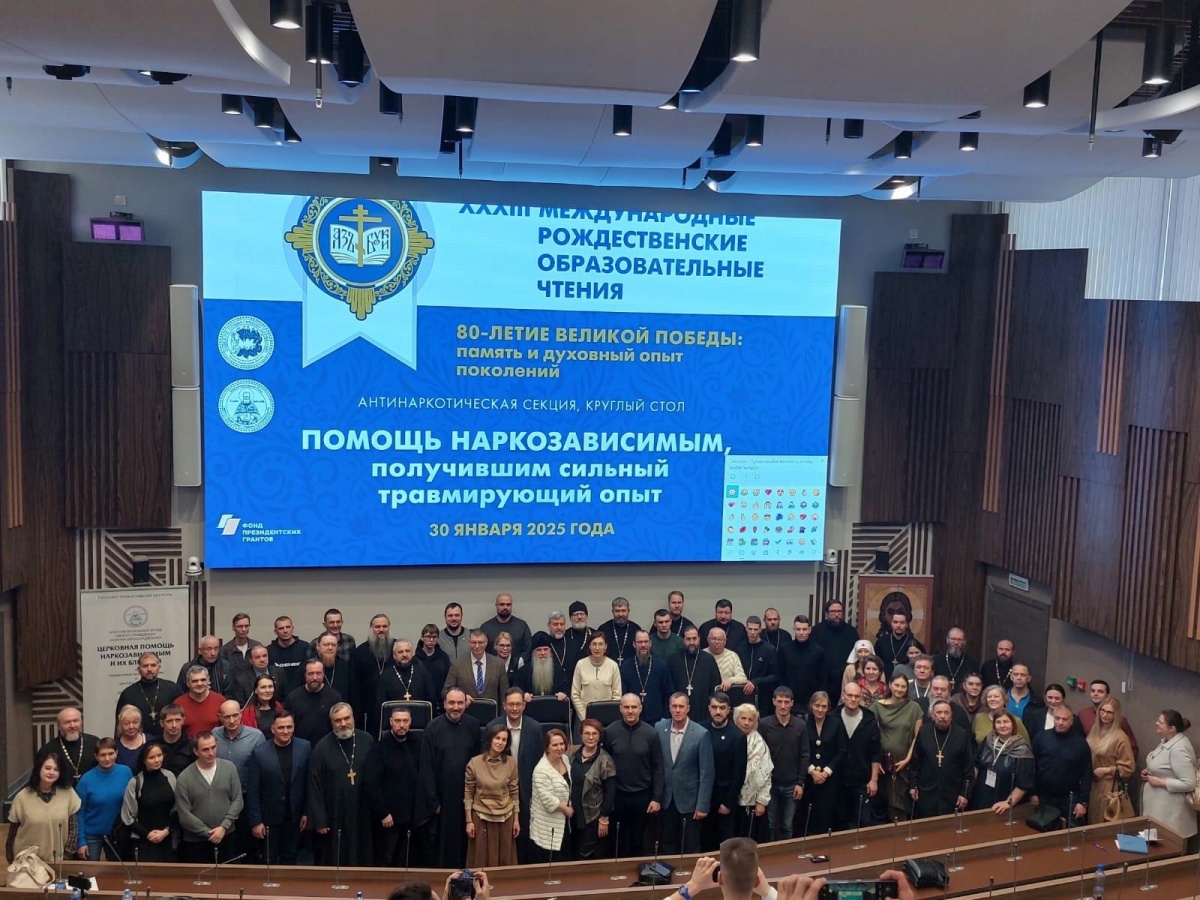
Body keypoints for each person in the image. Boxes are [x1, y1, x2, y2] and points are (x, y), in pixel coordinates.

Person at [419, 688, 481, 867]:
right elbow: (426, 767)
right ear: (444, 704)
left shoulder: (473, 725)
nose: (456, 707)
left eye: (460, 703)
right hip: (442, 798)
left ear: (465, 704)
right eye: (452, 703)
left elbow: (478, 761)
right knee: (443, 844)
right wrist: (433, 801)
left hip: (467, 795)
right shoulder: (433, 727)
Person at [308, 702, 373, 866]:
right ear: (332, 723)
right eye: (338, 720)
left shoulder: (367, 740)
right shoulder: (322, 748)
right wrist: (320, 819)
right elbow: (314, 785)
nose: (343, 724)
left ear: (353, 718)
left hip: (362, 812)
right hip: (334, 813)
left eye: (346, 718)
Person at [245, 713, 310, 867]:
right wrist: (256, 821)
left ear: (294, 727)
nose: (285, 731)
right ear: (273, 729)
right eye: (281, 727)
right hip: (269, 818)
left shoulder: (305, 747)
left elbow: (308, 783)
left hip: (294, 817)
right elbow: (253, 790)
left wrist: (307, 812)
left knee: (290, 859)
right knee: (269, 860)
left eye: (289, 727)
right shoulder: (259, 753)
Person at [603, 693, 664, 857]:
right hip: (618, 796)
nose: (630, 711)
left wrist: (657, 798)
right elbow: (604, 764)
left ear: (640, 709)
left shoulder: (651, 733)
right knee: (617, 842)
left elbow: (658, 767)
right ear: (620, 709)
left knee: (639, 842)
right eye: (626, 707)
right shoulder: (610, 731)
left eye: (634, 707)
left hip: (642, 796)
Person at [487, 688, 543, 862]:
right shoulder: (492, 727)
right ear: (504, 706)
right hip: (499, 789)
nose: (514, 708)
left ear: (524, 705)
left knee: (524, 833)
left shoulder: (535, 728)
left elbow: (539, 760)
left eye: (518, 704)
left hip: (526, 789)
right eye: (511, 704)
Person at [656, 692, 714, 855]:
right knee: (667, 845)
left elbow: (706, 773)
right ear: (669, 708)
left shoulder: (701, 733)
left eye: (681, 706)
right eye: (674, 706)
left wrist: (702, 805)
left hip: (690, 802)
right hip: (666, 799)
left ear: (688, 708)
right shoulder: (659, 728)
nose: (677, 710)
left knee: (690, 846)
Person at [174, 732, 243, 862]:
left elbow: (237, 799)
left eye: (213, 747)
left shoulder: (229, 768)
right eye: (205, 749)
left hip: (227, 836)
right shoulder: (184, 777)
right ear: (196, 751)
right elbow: (184, 813)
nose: (211, 753)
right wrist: (208, 833)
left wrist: (224, 827)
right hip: (196, 842)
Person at [5, 749, 80, 864]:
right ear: (39, 768)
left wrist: (67, 856)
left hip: (57, 861)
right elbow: (12, 833)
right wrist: (11, 858)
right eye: (48, 768)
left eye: (56, 769)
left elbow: (73, 829)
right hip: (26, 861)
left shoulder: (68, 794)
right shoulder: (22, 797)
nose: (51, 772)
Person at [463, 724, 519, 867]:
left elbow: (514, 792)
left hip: (506, 817)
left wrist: (516, 820)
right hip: (481, 818)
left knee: (505, 862)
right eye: (497, 738)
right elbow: (468, 793)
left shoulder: (511, 763)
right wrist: (469, 821)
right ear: (490, 739)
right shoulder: (474, 763)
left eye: (504, 740)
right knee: (481, 861)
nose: (500, 742)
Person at [757, 686, 809, 841]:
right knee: (770, 824)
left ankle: (788, 854)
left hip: (792, 784)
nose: (783, 705)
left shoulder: (800, 725)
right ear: (773, 701)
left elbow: (804, 755)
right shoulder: (764, 724)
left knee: (787, 825)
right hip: (770, 784)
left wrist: (800, 782)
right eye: (779, 701)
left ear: (792, 703)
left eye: (786, 702)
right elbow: (760, 755)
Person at [908, 700, 973, 818]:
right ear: (933, 715)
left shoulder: (961, 735)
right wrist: (913, 785)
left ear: (951, 715)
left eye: (946, 713)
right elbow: (916, 762)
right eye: (939, 712)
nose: (943, 716)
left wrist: (965, 793)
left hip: (953, 793)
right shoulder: (924, 732)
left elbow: (968, 768)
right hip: (926, 792)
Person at [1140, 709, 1197, 844]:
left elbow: (1189, 783)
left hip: (1170, 814)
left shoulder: (1178, 748)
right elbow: (1164, 765)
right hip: (1158, 809)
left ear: (1172, 728)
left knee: (1165, 849)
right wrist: (1149, 770)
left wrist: (1161, 782)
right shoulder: (1167, 740)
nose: (1156, 723)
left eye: (1161, 722)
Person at [872, 673, 922, 823]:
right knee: (881, 805)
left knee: (900, 805)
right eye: (897, 685)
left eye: (903, 686)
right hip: (883, 765)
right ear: (890, 685)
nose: (899, 689)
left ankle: (900, 835)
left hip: (905, 765)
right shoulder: (877, 706)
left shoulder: (914, 708)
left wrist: (907, 759)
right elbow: (872, 736)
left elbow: (917, 737)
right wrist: (877, 761)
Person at [1031, 706, 1092, 827]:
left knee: (1073, 833)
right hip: (1044, 797)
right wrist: (1033, 793)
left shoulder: (1080, 743)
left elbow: (1087, 773)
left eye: (1064, 719)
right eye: (1057, 718)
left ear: (1071, 721)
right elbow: (1032, 768)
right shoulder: (1041, 738)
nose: (1060, 722)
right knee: (1044, 832)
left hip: (1071, 798)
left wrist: (1083, 802)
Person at [119, 742, 178, 862]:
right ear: (144, 760)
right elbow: (127, 817)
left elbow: (177, 809)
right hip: (143, 842)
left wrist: (166, 831)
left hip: (168, 840)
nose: (157, 760)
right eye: (151, 757)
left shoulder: (170, 777)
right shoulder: (135, 783)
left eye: (159, 755)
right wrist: (148, 834)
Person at [75, 738, 133, 860]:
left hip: (117, 834)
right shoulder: (86, 780)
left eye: (111, 753)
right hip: (91, 836)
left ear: (116, 753)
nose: (107, 758)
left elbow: (132, 803)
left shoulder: (126, 772)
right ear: (96, 757)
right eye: (102, 755)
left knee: (117, 870)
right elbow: (79, 812)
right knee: (91, 870)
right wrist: (81, 841)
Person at [703, 692, 747, 850]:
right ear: (709, 708)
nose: (718, 711)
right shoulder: (700, 729)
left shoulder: (737, 736)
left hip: (724, 798)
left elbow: (739, 773)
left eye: (722, 708)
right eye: (714, 707)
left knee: (724, 843)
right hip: (703, 798)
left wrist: (728, 803)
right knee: (705, 842)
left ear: (729, 710)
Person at [838, 682, 884, 828]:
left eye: (856, 696)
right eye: (849, 695)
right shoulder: (833, 717)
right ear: (843, 696)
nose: (853, 699)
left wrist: (874, 780)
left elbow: (876, 752)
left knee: (862, 822)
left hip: (862, 781)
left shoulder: (869, 719)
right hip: (838, 781)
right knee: (839, 823)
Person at [569, 718, 616, 860]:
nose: (590, 737)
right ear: (581, 735)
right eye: (587, 733)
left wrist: (604, 819)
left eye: (594, 734)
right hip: (572, 816)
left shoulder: (605, 760)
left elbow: (610, 792)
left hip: (593, 818)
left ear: (599, 736)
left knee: (586, 856)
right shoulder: (571, 756)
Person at [799, 690, 844, 837]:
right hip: (809, 777)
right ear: (811, 705)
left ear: (828, 707)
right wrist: (811, 770)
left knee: (826, 813)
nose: (820, 709)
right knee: (808, 813)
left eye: (824, 706)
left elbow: (842, 750)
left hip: (829, 778)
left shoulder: (836, 723)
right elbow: (800, 749)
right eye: (817, 705)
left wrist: (826, 772)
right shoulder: (803, 723)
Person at [971, 711, 1034, 813]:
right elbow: (977, 763)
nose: (1002, 725)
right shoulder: (988, 740)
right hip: (983, 796)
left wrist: (1008, 802)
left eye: (1006, 722)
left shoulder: (1022, 749)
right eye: (998, 722)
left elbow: (1024, 783)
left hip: (1005, 803)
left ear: (1013, 724)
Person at [1086, 697, 1135, 823]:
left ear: (1116, 715)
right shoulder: (1095, 730)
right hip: (1092, 783)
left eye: (1109, 712)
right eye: (1102, 710)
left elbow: (1128, 768)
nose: (1104, 715)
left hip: (1108, 786)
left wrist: (1106, 770)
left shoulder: (1120, 738)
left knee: (1101, 822)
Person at [373, 639, 436, 736]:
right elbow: (380, 707)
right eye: (400, 652)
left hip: (420, 729)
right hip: (394, 730)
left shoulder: (423, 673)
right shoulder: (385, 677)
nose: (405, 654)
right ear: (394, 656)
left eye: (407, 651)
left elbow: (431, 700)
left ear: (412, 653)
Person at [529, 728, 572, 862]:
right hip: (546, 823)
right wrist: (566, 809)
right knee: (550, 860)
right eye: (554, 745)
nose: (559, 748)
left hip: (563, 822)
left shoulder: (565, 759)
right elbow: (548, 800)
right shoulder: (541, 770)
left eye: (561, 744)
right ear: (547, 748)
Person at [116, 652, 181, 739]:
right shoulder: (128, 693)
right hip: (139, 741)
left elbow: (181, 716)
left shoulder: (172, 689)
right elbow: (120, 724)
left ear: (159, 667)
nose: (149, 669)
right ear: (139, 669)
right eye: (145, 666)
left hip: (169, 740)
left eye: (153, 665)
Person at [733, 703, 772, 842]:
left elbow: (766, 774)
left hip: (753, 803)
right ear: (736, 719)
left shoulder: (759, 743)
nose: (746, 723)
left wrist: (762, 801)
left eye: (750, 720)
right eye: (743, 718)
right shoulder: (732, 737)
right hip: (731, 801)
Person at [669, 626, 723, 723]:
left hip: (703, 713)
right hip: (678, 712)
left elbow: (715, 687)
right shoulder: (674, 660)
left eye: (694, 639)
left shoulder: (708, 660)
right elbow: (669, 688)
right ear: (683, 640)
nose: (691, 642)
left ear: (699, 639)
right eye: (688, 639)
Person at [810, 599, 861, 699]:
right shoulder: (816, 631)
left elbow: (856, 655)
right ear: (826, 613)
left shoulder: (851, 632)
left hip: (845, 677)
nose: (836, 614)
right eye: (833, 611)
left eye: (839, 611)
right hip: (822, 678)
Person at [284, 659, 343, 746]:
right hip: (300, 748)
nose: (315, 678)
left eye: (318, 673)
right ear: (305, 675)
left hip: (327, 747)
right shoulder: (292, 698)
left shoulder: (335, 697)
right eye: (311, 674)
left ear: (323, 674)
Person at [444, 629, 509, 706]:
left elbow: (504, 695)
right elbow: (446, 691)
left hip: (491, 712)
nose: (477, 646)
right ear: (469, 642)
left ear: (486, 642)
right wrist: (462, 696)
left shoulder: (498, 664)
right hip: (466, 711)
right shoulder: (457, 664)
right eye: (474, 642)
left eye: (480, 642)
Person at [1077, 679, 1140, 760]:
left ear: (1107, 695)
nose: (1095, 694)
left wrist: (1120, 767)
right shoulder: (1083, 714)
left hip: (1110, 765)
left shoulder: (1120, 720)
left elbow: (1132, 749)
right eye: (1093, 691)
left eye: (1100, 691)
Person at [621, 630, 673, 724]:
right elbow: (623, 693)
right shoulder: (626, 666)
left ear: (650, 643)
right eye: (640, 642)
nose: (643, 645)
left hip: (657, 720)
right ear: (634, 644)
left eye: (646, 642)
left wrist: (665, 717)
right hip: (632, 719)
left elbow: (668, 693)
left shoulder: (660, 666)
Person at [571, 631, 622, 724]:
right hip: (584, 718)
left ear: (605, 647)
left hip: (607, 718)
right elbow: (574, 694)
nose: (597, 648)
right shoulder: (581, 664)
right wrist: (584, 717)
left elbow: (617, 695)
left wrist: (609, 715)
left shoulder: (613, 665)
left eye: (601, 644)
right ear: (589, 646)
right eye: (594, 644)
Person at [40, 707, 98, 787]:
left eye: (76, 721)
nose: (72, 725)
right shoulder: (48, 749)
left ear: (81, 722)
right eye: (67, 722)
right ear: (59, 726)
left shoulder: (94, 742)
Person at [350, 614, 394, 718]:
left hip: (393, 707)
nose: (381, 630)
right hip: (368, 709)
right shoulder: (360, 652)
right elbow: (354, 685)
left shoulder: (397, 648)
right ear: (371, 629)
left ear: (389, 628)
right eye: (377, 627)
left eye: (384, 626)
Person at [778, 615, 825, 708]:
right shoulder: (784, 649)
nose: (801, 632)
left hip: (811, 701)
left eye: (804, 629)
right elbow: (780, 676)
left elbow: (822, 679)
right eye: (798, 629)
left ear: (809, 630)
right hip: (788, 700)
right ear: (794, 630)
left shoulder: (818, 651)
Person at [738, 616, 780, 715]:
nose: (752, 632)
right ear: (746, 629)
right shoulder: (739, 648)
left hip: (763, 697)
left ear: (760, 630)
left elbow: (775, 675)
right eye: (750, 629)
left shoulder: (769, 650)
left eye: (755, 629)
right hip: (742, 694)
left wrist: (756, 681)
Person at [514, 631, 569, 700]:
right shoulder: (523, 671)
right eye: (539, 650)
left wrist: (563, 694)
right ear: (533, 652)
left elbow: (565, 689)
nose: (542, 653)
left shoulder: (558, 669)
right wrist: (522, 695)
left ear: (550, 651)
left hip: (552, 706)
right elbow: (516, 692)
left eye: (545, 649)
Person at [232, 644, 286, 709]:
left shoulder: (279, 672)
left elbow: (284, 697)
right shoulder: (241, 680)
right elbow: (241, 706)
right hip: (253, 712)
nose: (262, 660)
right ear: (251, 660)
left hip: (276, 711)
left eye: (264, 656)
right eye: (257, 657)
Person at [176, 666, 225, 737]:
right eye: (194, 681)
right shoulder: (178, 704)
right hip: (188, 743)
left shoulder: (221, 701)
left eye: (203, 680)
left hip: (215, 743)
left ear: (208, 681)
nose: (199, 683)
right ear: (187, 683)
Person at [480, 592, 532, 658]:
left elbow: (528, 649)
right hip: (492, 664)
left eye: (508, 605)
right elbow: (480, 649)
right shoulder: (486, 627)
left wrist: (520, 662)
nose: (505, 607)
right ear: (496, 605)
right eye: (502, 604)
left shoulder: (522, 626)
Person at [268, 615, 309, 696]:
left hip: (302, 695)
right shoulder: (269, 650)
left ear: (292, 629)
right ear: (275, 632)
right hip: (277, 696)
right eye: (281, 628)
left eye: (288, 627)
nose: (285, 631)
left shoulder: (305, 647)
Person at [314, 631, 356, 710]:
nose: (330, 648)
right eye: (326, 645)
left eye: (333, 645)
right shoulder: (309, 667)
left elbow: (353, 695)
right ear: (318, 646)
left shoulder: (344, 667)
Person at [874, 611, 920, 680]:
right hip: (883, 681)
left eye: (902, 622)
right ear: (891, 623)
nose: (898, 625)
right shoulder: (881, 642)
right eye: (895, 622)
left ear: (907, 624)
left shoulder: (914, 643)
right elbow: (876, 663)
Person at [415, 623, 452, 708]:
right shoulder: (415, 659)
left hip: (440, 703)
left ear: (438, 638)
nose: (431, 640)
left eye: (434, 637)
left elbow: (448, 679)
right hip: (421, 701)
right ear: (422, 638)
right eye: (428, 637)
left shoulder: (444, 657)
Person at [932, 627, 978, 693]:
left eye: (960, 640)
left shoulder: (972, 663)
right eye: (953, 639)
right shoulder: (936, 659)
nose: (956, 642)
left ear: (964, 642)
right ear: (947, 640)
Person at [597, 596, 641, 666]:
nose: (620, 614)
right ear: (612, 611)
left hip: (631, 667)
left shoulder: (636, 629)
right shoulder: (603, 629)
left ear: (628, 611)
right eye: (617, 611)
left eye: (623, 611)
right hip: (608, 667)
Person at [706, 627, 748, 693]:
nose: (716, 642)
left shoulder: (732, 656)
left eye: (720, 639)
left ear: (725, 641)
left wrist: (730, 680)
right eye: (713, 639)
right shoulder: (701, 655)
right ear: (708, 640)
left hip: (725, 695)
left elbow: (743, 678)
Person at [157, 704, 194, 776]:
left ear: (183, 721)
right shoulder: (154, 744)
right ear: (162, 723)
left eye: (177, 720)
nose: (174, 725)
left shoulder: (191, 745)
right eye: (169, 721)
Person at [115, 705, 147, 772]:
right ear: (120, 725)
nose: (131, 727)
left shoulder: (150, 741)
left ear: (140, 723)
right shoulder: (115, 746)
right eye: (126, 723)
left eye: (135, 722)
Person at [546, 611, 578, 679]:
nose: (559, 627)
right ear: (548, 625)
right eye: (555, 624)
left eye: (562, 624)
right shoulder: (544, 644)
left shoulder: (573, 644)